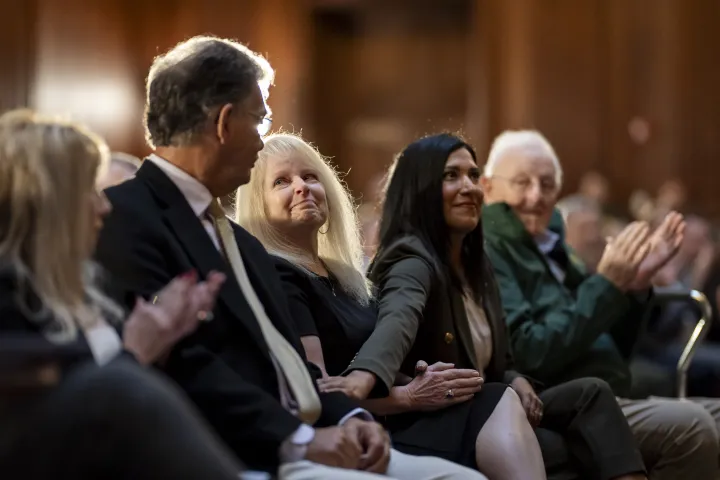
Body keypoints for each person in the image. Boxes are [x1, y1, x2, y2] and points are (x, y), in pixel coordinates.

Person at [94, 35, 482, 480]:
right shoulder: (126, 216)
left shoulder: (242, 244)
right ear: (223, 123)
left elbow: (290, 365)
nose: (262, 142)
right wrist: (299, 438)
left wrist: (349, 419)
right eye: (259, 121)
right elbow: (184, 364)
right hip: (231, 451)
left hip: (300, 435)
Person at [237, 132, 649, 480]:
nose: (302, 187)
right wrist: (402, 393)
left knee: (542, 394)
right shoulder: (291, 275)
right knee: (500, 401)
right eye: (282, 182)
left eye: (311, 176)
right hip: (366, 423)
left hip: (405, 403)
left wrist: (502, 376)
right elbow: (331, 380)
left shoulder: (345, 275)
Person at [0, 109, 251, 479]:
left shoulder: (85, 288)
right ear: (49, 203)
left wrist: (161, 333)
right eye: (89, 191)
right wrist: (135, 351)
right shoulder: (9, 296)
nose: (104, 205)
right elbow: (91, 399)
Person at [480, 129, 720, 479]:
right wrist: (607, 285)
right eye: (521, 182)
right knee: (692, 426)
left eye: (547, 184)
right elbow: (530, 351)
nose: (536, 196)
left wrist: (634, 287)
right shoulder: (491, 249)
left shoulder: (551, 246)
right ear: (488, 188)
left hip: (608, 389)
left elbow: (614, 347)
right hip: (564, 398)